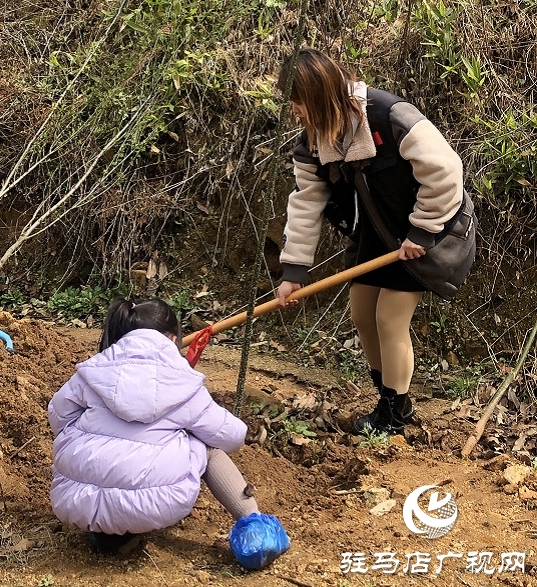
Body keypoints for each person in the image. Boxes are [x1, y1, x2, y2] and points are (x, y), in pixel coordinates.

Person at [275, 48, 476, 437]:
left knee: (389, 319)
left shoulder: (389, 115)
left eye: (298, 102)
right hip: (374, 235)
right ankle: (389, 398)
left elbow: (446, 171)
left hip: (428, 233)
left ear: (317, 96)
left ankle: (395, 414)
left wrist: (422, 230)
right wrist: (294, 270)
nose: (295, 111)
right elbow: (305, 205)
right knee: (362, 316)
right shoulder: (314, 141)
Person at [48, 298, 290, 569]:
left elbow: (58, 416)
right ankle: (254, 526)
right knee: (204, 443)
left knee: (92, 443)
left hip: (74, 502)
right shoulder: (183, 382)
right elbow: (233, 437)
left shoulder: (92, 370)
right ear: (173, 338)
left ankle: (107, 535)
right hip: (155, 505)